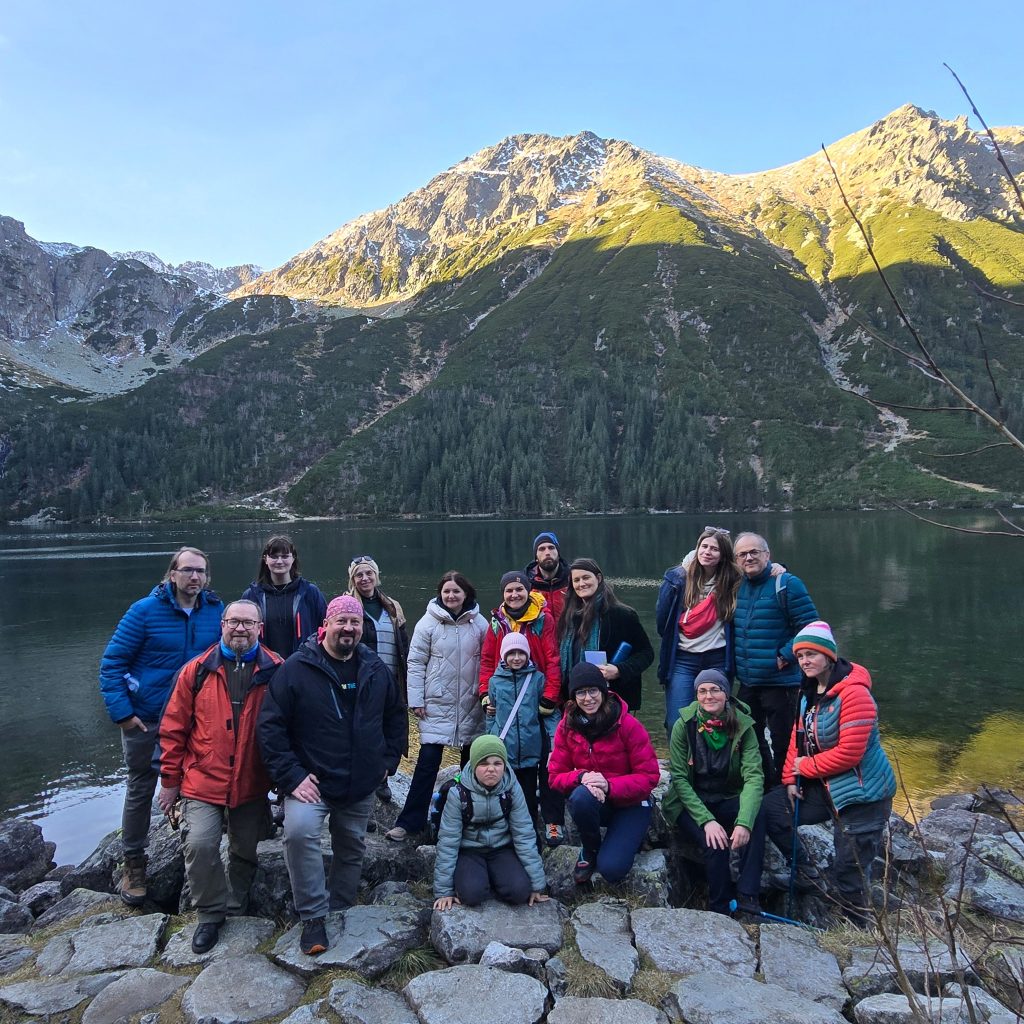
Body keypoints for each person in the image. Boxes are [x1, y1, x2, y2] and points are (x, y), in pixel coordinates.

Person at [257, 595, 407, 956]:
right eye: (342, 622)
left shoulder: (374, 667)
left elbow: (395, 715)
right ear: (326, 624)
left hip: (360, 780)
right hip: (312, 782)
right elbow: (271, 730)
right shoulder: (296, 668)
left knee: (351, 844)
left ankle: (340, 906)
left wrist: (387, 761)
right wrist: (292, 778)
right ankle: (312, 915)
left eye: (355, 623)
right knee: (298, 833)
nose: (349, 629)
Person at [99, 545, 223, 906]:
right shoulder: (144, 612)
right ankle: (134, 862)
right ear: (172, 574)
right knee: (140, 788)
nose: (194, 577)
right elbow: (111, 665)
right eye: (187, 571)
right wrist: (122, 713)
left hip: (196, 720)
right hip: (147, 720)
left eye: (200, 571)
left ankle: (197, 857)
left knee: (196, 786)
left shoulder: (215, 612)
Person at [157, 600, 282, 952]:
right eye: (233, 622)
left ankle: (236, 904)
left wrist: (285, 778)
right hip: (202, 779)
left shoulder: (277, 669)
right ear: (222, 624)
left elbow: (292, 728)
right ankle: (210, 915)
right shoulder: (196, 670)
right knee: (199, 843)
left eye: (248, 623)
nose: (240, 629)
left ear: (261, 627)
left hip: (251, 781)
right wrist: (169, 782)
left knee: (245, 848)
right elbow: (173, 729)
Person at [761, 622, 896, 926]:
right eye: (801, 656)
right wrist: (790, 780)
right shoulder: (808, 691)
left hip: (862, 795)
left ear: (829, 655)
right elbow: (798, 739)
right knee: (772, 809)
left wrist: (804, 768)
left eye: (812, 654)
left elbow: (850, 754)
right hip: (824, 787)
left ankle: (859, 932)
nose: (805, 661)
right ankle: (807, 872)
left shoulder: (855, 694)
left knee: (850, 872)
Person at [385, 571, 488, 842]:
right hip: (436, 703)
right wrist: (416, 699)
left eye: (456, 591)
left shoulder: (480, 624)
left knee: (472, 764)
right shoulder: (428, 623)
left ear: (466, 594)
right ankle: (409, 823)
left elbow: (488, 662)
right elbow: (415, 662)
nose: (451, 596)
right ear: (440, 594)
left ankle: (471, 821)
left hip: (471, 703)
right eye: (446, 592)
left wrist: (487, 695)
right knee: (427, 763)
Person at [662, 669, 766, 916]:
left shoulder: (744, 726)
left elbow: (754, 776)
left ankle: (748, 895)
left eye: (715, 690)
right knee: (715, 844)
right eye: (702, 691)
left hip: (727, 796)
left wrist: (744, 822)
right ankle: (720, 908)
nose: (708, 696)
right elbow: (679, 779)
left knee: (757, 815)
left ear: (726, 694)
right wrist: (707, 821)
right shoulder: (683, 726)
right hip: (691, 803)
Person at [548, 662, 661, 885]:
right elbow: (554, 776)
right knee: (580, 797)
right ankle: (590, 848)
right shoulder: (567, 726)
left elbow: (649, 776)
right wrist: (581, 777)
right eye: (581, 692)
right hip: (597, 802)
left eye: (593, 691)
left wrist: (608, 785)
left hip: (632, 803)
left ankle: (628, 836)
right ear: (574, 697)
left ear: (603, 692)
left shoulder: (627, 724)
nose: (588, 698)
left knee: (611, 870)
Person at [478, 569, 564, 845]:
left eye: (519, 589)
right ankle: (516, 822)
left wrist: (550, 696)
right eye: (509, 591)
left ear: (528, 591)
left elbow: (552, 659)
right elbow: (488, 661)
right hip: (508, 696)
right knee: (515, 767)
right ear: (503, 595)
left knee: (549, 763)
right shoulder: (497, 622)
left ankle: (552, 822)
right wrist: (485, 695)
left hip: (537, 695)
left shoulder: (542, 619)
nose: (514, 595)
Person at [732, 532, 819, 788]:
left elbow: (812, 627)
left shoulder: (787, 584)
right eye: (743, 554)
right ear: (736, 560)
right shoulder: (738, 586)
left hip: (781, 681)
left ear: (767, 555)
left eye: (754, 552)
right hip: (748, 680)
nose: (749, 557)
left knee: (783, 741)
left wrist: (785, 654)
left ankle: (787, 789)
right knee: (750, 739)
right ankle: (767, 787)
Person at [433, 735, 548, 911]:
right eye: (484, 764)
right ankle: (479, 878)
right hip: (469, 851)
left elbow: (524, 834)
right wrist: (444, 891)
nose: (491, 769)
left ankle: (497, 878)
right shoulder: (458, 794)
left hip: (502, 849)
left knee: (520, 892)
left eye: (497, 763)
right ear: (473, 766)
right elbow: (448, 842)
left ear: (504, 765)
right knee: (471, 895)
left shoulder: (512, 789)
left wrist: (536, 885)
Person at [656, 527, 741, 737]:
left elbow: (759, 573)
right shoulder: (678, 580)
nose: (707, 552)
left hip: (718, 659)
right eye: (704, 546)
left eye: (714, 549)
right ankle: (680, 769)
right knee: (677, 721)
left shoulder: (734, 582)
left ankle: (715, 767)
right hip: (683, 660)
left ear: (723, 555)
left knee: (717, 718)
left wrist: (778, 567)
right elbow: (662, 622)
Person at [347, 554, 410, 801]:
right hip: (360, 680)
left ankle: (383, 777)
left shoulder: (392, 606)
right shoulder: (347, 605)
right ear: (352, 579)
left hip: (391, 679)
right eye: (359, 575)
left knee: (389, 727)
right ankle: (361, 777)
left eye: (369, 573)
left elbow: (403, 644)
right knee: (362, 728)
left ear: (376, 576)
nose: (365, 578)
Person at [556, 557, 653, 710]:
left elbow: (646, 654)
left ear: (598, 578)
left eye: (586, 577)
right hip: (576, 699)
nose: (582, 584)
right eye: (576, 580)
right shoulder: (569, 617)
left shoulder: (622, 614)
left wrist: (619, 670)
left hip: (613, 699)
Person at [483, 633, 548, 828]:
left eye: (521, 653)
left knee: (528, 797)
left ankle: (530, 834)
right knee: (503, 795)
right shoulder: (495, 681)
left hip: (530, 749)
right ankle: (504, 833)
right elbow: (491, 715)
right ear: (504, 656)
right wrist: (489, 741)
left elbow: (549, 715)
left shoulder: (537, 679)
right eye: (511, 653)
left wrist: (553, 739)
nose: (517, 658)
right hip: (505, 749)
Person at [241, 535, 327, 660]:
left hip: (304, 665)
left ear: (293, 559)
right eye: (274, 557)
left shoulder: (309, 592)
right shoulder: (251, 595)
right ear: (265, 559)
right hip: (264, 666)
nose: (279, 561)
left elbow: (325, 629)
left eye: (285, 556)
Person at [525, 531, 570, 621]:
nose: (547, 552)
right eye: (542, 549)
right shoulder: (525, 583)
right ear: (536, 557)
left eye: (551, 548)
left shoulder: (573, 578)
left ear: (558, 553)